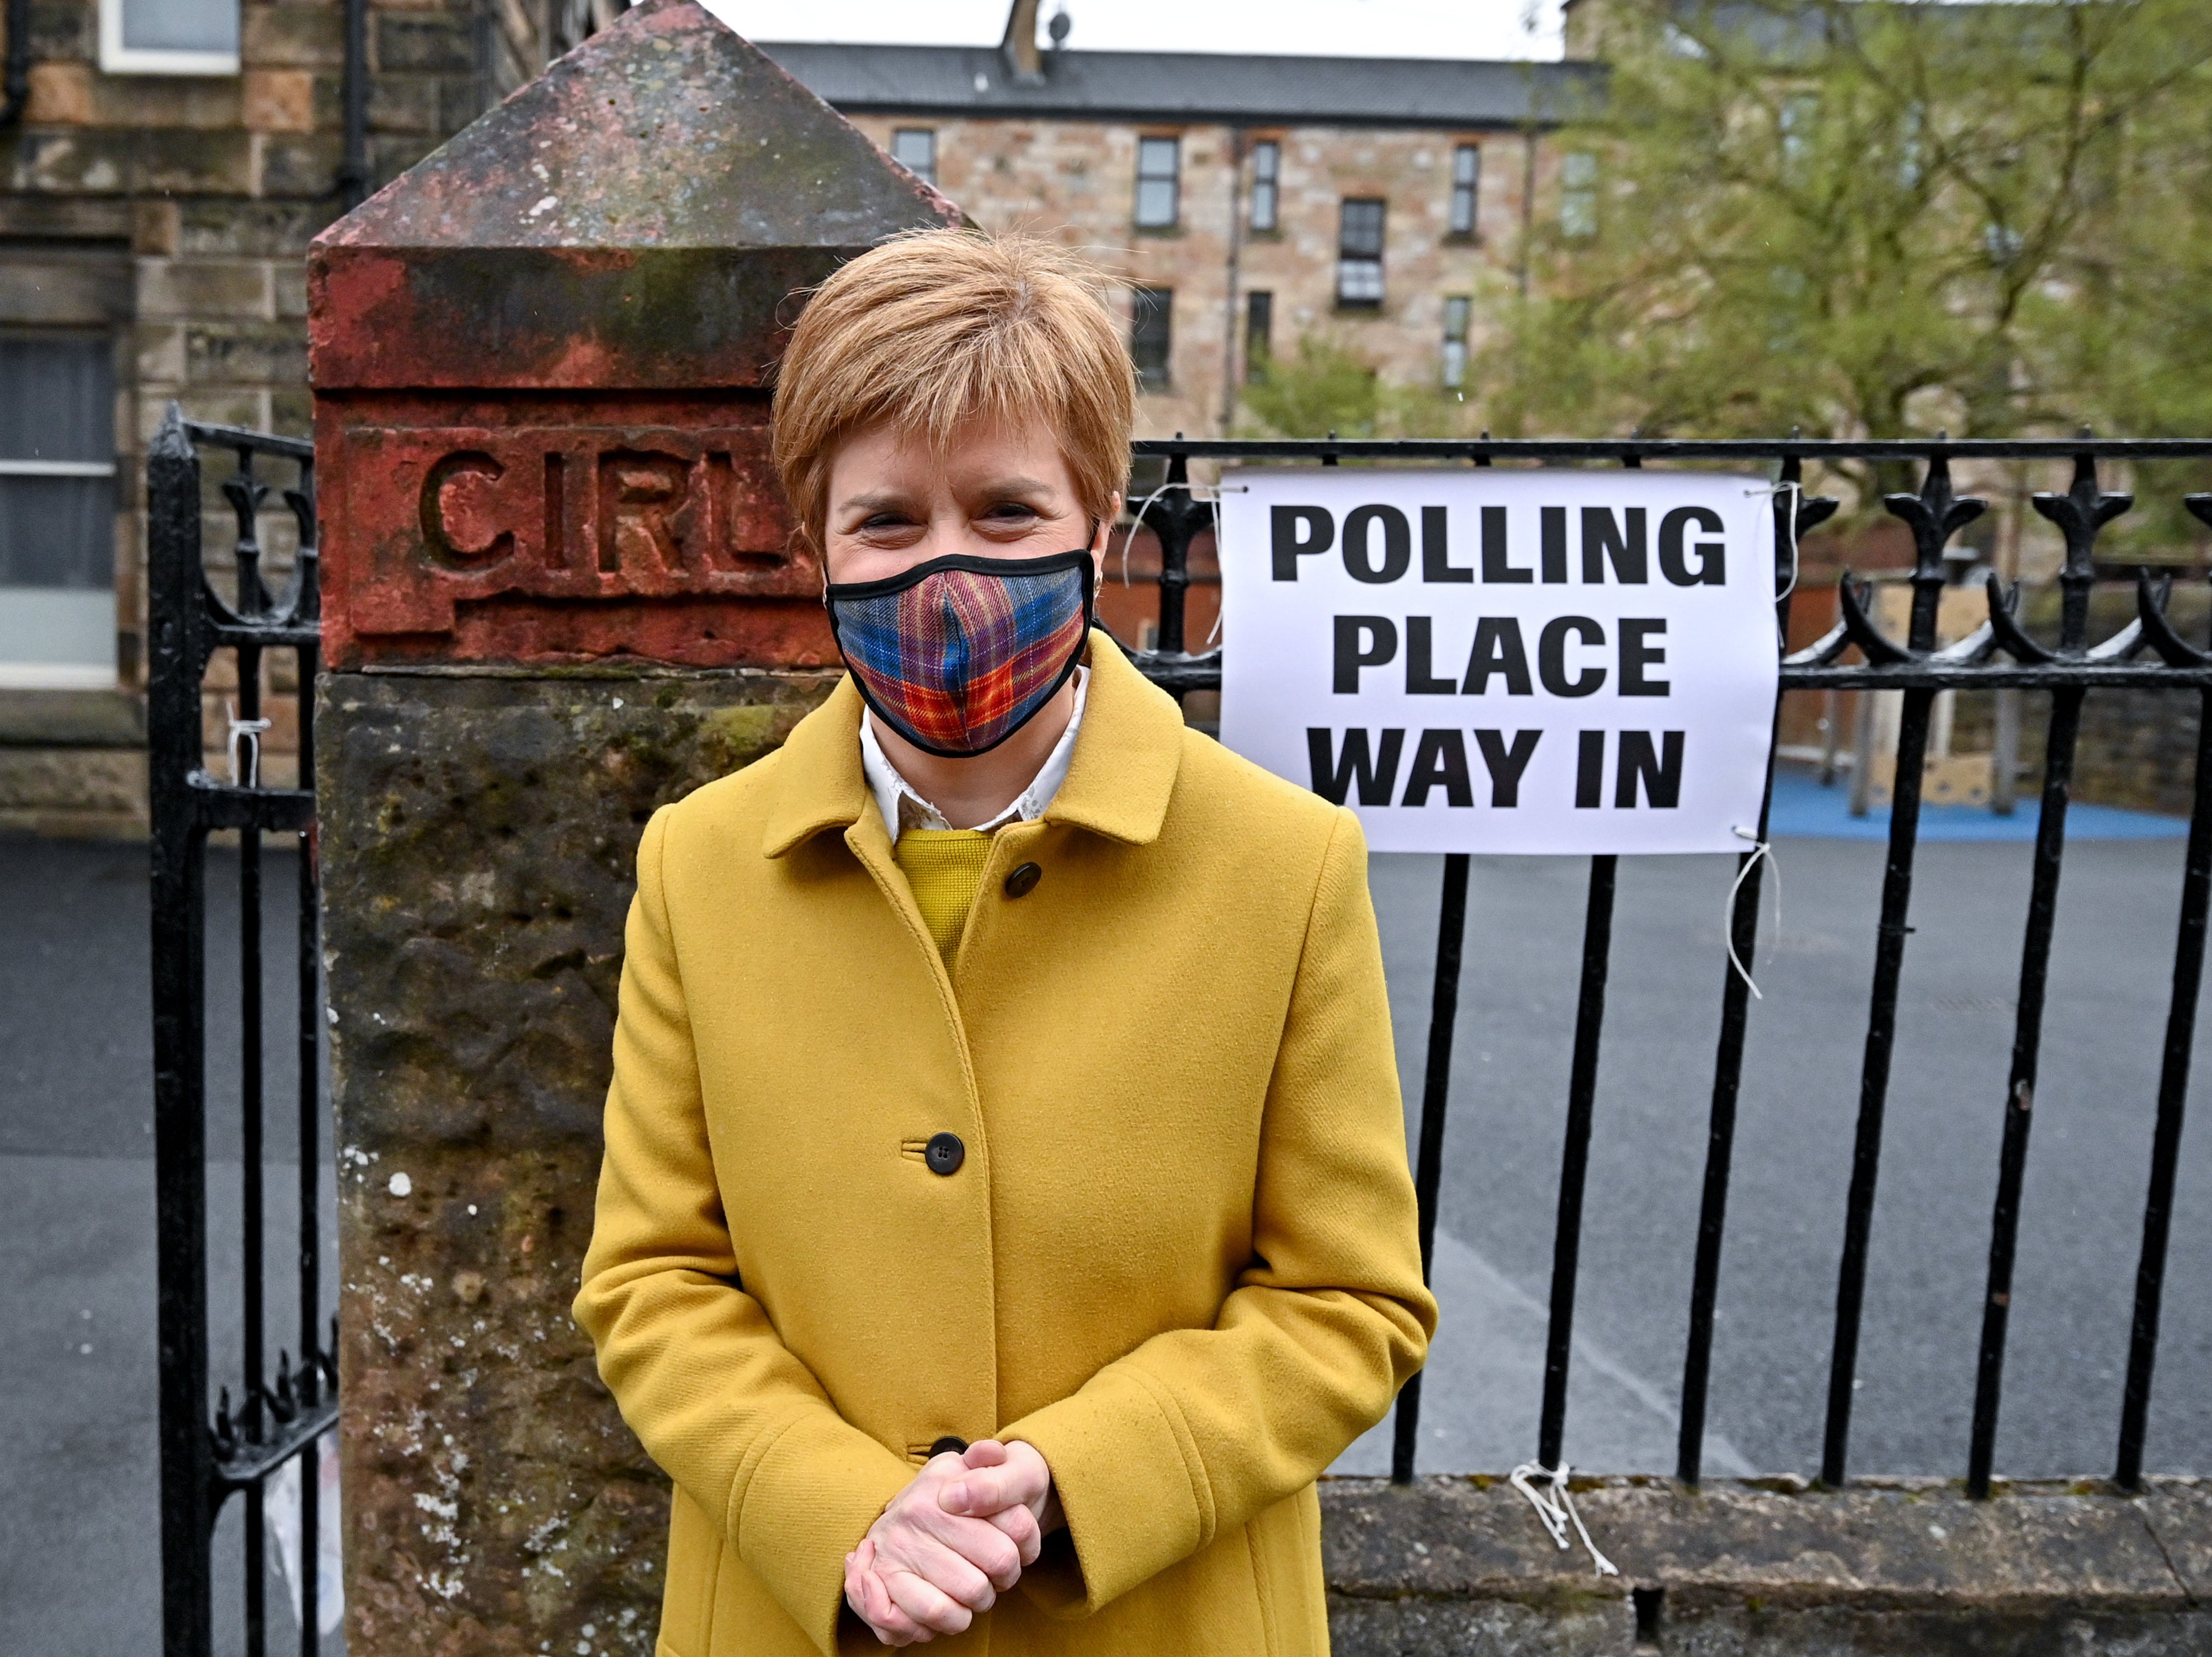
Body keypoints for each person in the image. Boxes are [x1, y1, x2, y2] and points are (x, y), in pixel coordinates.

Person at [573, 228, 1435, 1657]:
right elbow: (652, 1279)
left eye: (1007, 509)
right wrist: (841, 1506)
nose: (948, 569)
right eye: (889, 521)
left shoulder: (1284, 865)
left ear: (1099, 526)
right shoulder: (700, 865)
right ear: (820, 549)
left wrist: (1081, 1479)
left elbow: (1348, 1299)